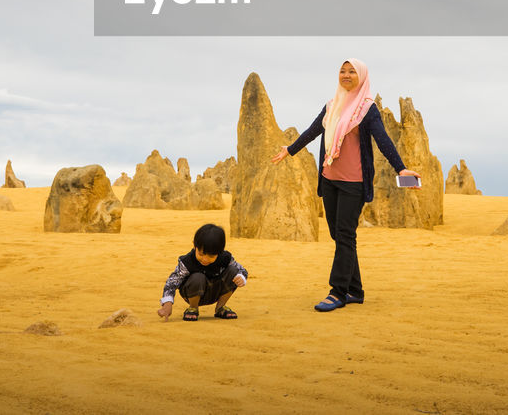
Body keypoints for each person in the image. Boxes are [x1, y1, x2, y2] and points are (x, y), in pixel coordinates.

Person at [270, 58, 420, 312]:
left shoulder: (367, 109)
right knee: (339, 236)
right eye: (342, 71)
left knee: (345, 235)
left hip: (354, 182)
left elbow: (382, 140)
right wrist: (291, 149)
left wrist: (401, 168)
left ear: (361, 76)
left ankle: (337, 291)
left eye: (352, 71)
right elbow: (313, 130)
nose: (346, 75)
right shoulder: (333, 105)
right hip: (330, 179)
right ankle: (355, 290)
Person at [157, 223, 248, 321]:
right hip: (192, 293)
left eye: (211, 256)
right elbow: (172, 282)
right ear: (194, 245)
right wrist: (167, 303)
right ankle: (193, 308)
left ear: (220, 252)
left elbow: (242, 270)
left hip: (215, 292)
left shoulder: (225, 258)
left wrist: (241, 277)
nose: (205, 259)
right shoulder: (187, 261)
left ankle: (220, 308)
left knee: (234, 271)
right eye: (201, 254)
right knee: (198, 277)